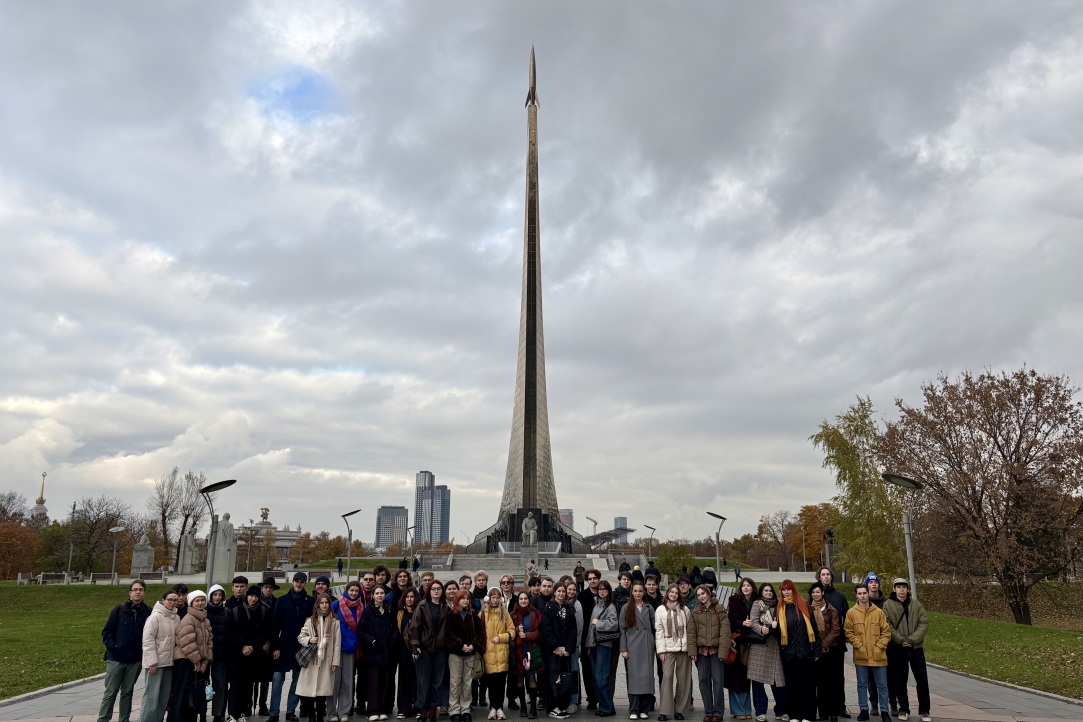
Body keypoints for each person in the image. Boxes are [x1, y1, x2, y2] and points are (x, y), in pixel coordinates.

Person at [99, 579, 151, 722]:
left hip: (135, 660)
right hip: (116, 659)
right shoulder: (119, 610)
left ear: (144, 593)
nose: (138, 592)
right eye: (135, 590)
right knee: (110, 692)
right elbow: (107, 632)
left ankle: (124, 719)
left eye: (141, 590)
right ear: (130, 592)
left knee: (127, 692)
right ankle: (103, 719)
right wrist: (114, 647)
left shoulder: (148, 612)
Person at [270, 572, 315, 722]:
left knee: (297, 680)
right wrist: (275, 647)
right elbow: (275, 626)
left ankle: (290, 710)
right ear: (292, 582)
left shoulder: (310, 601)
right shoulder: (282, 601)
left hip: (301, 647)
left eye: (302, 581)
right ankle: (274, 712)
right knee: (277, 678)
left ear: (305, 583)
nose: (298, 584)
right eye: (296, 581)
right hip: (283, 646)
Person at [883, 579, 930, 722]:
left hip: (916, 648)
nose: (901, 590)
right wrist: (901, 640)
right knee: (900, 680)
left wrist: (911, 640)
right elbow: (887, 625)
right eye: (899, 587)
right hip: (898, 648)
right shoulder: (887, 605)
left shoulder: (916, 605)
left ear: (907, 589)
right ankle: (903, 708)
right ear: (894, 588)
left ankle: (924, 710)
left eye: (904, 587)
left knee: (921, 678)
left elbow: (923, 623)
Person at [844, 584, 891, 722]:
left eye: (865, 593)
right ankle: (863, 709)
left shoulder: (878, 612)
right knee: (862, 684)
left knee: (882, 685)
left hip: (878, 655)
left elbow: (886, 632)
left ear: (868, 594)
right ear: (856, 595)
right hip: (861, 655)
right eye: (860, 593)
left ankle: (885, 711)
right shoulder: (851, 613)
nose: (863, 596)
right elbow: (848, 631)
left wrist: (879, 646)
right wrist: (859, 645)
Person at [777, 579, 821, 722]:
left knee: (808, 685)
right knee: (792, 686)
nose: (786, 591)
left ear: (793, 590)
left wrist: (817, 651)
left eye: (789, 589)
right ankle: (795, 715)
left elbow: (814, 629)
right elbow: (777, 634)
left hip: (806, 653)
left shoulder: (804, 605)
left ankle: (808, 715)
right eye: (784, 589)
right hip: (789, 655)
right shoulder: (779, 609)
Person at [169, 589, 213, 722]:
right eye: (197, 600)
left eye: (202, 600)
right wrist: (196, 661)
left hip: (199, 663)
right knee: (181, 695)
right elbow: (186, 641)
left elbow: (209, 642)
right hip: (185, 662)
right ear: (191, 603)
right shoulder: (188, 619)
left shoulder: (205, 620)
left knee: (193, 696)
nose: (200, 603)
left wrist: (205, 661)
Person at [443, 589, 486, 722]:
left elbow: (480, 632)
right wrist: (461, 645)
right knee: (455, 682)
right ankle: (454, 709)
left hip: (470, 653)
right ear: (457, 600)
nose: (466, 600)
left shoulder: (472, 615)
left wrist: (473, 645)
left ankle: (465, 709)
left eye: (467, 598)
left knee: (467, 683)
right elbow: (448, 634)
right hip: (456, 654)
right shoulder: (451, 615)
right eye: (463, 598)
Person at [298, 593, 342, 722]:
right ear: (317, 605)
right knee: (310, 692)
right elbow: (301, 636)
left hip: (326, 660)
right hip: (312, 659)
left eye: (326, 603)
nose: (324, 605)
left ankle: (321, 716)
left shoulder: (335, 622)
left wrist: (335, 661)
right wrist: (310, 639)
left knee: (323, 691)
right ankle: (312, 715)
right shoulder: (310, 620)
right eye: (322, 603)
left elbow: (337, 643)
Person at [139, 589, 180, 722]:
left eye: (175, 600)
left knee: (163, 697)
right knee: (151, 697)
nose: (173, 603)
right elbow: (148, 640)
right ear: (163, 600)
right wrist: (152, 662)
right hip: (156, 664)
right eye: (170, 600)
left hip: (169, 663)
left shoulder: (176, 617)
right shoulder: (155, 617)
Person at [687, 584, 728, 722]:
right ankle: (708, 710)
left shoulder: (720, 609)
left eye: (703, 593)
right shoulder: (695, 612)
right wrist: (692, 651)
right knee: (703, 681)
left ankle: (718, 711)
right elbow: (691, 633)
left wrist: (723, 652)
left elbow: (725, 633)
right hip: (701, 652)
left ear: (708, 593)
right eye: (698, 595)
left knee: (718, 681)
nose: (701, 597)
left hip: (716, 652)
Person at [746, 583, 786, 722]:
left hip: (775, 646)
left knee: (778, 681)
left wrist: (776, 627)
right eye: (765, 590)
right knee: (758, 682)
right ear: (761, 592)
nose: (768, 593)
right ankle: (760, 712)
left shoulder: (779, 604)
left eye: (770, 591)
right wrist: (762, 629)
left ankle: (780, 711)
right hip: (760, 647)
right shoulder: (757, 604)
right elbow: (753, 621)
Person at [815, 568, 851, 719]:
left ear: (831, 577)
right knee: (822, 678)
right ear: (819, 577)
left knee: (837, 677)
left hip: (837, 644)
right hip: (819, 645)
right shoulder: (814, 596)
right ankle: (824, 709)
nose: (826, 577)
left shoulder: (840, 597)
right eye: (823, 574)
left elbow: (846, 619)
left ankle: (840, 707)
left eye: (828, 574)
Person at [410, 578, 447, 721]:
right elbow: (414, 627)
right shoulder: (422, 606)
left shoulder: (445, 607)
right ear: (429, 591)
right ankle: (423, 708)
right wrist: (415, 646)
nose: (436, 591)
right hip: (424, 649)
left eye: (438, 588)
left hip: (440, 650)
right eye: (433, 588)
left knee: (437, 680)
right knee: (423, 681)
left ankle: (433, 708)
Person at [229, 585, 268, 722]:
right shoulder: (236, 611)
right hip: (237, 655)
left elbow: (264, 632)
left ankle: (243, 713)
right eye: (251, 596)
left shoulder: (262, 611)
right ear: (247, 596)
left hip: (253, 655)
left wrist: (252, 646)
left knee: (247, 687)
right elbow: (231, 632)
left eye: (256, 596)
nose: (253, 598)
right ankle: (232, 714)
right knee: (234, 686)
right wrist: (243, 645)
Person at [655, 584, 692, 722]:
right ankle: (664, 710)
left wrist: (691, 648)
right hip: (668, 649)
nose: (673, 594)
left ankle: (680, 710)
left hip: (683, 649)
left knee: (683, 680)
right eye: (671, 592)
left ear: (679, 595)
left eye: (676, 593)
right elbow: (658, 631)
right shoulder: (660, 609)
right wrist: (661, 650)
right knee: (667, 677)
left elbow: (690, 629)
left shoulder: (685, 609)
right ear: (667, 593)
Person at [620, 581, 656, 719]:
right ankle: (633, 709)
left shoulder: (649, 607)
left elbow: (655, 626)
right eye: (635, 591)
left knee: (647, 678)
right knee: (634, 678)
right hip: (632, 646)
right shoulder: (626, 608)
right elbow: (622, 630)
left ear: (644, 592)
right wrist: (624, 649)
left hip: (647, 645)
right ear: (632, 592)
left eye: (640, 591)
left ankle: (644, 709)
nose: (638, 593)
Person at [540, 583, 576, 718]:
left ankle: (562, 705)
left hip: (565, 650)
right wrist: (555, 647)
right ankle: (552, 707)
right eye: (559, 591)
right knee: (553, 677)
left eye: (563, 591)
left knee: (564, 677)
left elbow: (573, 630)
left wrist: (569, 648)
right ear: (554, 593)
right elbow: (546, 629)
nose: (561, 593)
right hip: (552, 651)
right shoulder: (549, 607)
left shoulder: (569, 607)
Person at [360, 586, 397, 720]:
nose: (380, 595)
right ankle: (372, 710)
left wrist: (391, 641)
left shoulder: (388, 611)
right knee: (373, 683)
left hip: (387, 652)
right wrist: (373, 641)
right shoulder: (368, 612)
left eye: (382, 593)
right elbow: (361, 631)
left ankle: (383, 709)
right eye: (377, 593)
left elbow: (395, 628)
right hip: (373, 653)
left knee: (385, 682)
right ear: (373, 595)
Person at [808, 582, 842, 722]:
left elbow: (836, 629)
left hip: (829, 649)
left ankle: (833, 713)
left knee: (831, 682)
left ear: (822, 593)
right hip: (814, 651)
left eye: (818, 592)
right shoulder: (808, 609)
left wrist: (823, 644)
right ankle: (822, 713)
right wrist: (816, 646)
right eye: (813, 592)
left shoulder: (831, 610)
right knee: (819, 683)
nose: (816, 594)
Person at [481, 587, 517, 720]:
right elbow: (479, 632)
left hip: (502, 652)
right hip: (489, 653)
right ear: (488, 598)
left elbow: (512, 631)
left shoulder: (505, 612)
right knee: (491, 683)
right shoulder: (483, 613)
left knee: (501, 683)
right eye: (493, 597)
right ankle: (492, 708)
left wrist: (501, 638)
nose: (495, 600)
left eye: (497, 597)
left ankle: (500, 708)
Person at [332, 581, 365, 722]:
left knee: (347, 681)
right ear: (347, 590)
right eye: (351, 590)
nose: (353, 593)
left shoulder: (361, 607)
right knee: (334, 681)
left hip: (351, 648)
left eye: (356, 591)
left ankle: (344, 711)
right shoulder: (336, 604)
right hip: (336, 648)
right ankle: (332, 712)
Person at [585, 580, 618, 717]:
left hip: (604, 645)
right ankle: (604, 705)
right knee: (595, 678)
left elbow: (613, 624)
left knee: (601, 678)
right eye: (600, 589)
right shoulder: (597, 605)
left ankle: (608, 707)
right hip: (594, 645)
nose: (602, 591)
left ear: (609, 591)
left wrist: (598, 623)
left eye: (604, 589)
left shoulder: (610, 606)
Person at [725, 578, 756, 719]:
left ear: (752, 588)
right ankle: (737, 710)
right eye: (743, 585)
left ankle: (746, 709)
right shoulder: (734, 600)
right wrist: (743, 623)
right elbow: (731, 620)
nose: (745, 588)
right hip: (738, 642)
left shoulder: (756, 601)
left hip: (752, 642)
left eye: (748, 585)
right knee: (736, 678)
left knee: (746, 677)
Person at [862, 574, 892, 717]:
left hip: (885, 646)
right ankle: (874, 703)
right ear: (867, 586)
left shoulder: (887, 603)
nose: (873, 585)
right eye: (871, 582)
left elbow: (889, 625)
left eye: (875, 582)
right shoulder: (864, 603)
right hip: (869, 646)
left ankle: (891, 703)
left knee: (887, 678)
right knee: (870, 678)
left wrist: (883, 643)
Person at [512, 590, 544, 719]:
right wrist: (515, 630)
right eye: (521, 599)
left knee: (531, 678)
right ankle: (523, 707)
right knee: (519, 678)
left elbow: (540, 633)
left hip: (531, 649)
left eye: (525, 599)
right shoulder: (513, 615)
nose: (523, 601)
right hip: (518, 651)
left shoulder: (535, 614)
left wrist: (527, 635)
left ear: (529, 600)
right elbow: (508, 633)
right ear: (518, 601)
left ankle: (533, 708)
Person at [205, 584, 232, 722]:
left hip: (221, 656)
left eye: (220, 595)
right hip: (205, 656)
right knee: (202, 685)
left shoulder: (227, 612)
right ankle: (202, 713)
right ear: (210, 596)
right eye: (214, 595)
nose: (217, 597)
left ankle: (218, 714)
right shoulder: (203, 612)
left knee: (220, 686)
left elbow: (230, 634)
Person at [257, 576, 281, 716]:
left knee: (266, 678)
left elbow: (276, 625)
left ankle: (262, 704)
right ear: (262, 588)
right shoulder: (255, 600)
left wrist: (271, 643)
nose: (268, 590)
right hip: (256, 643)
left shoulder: (276, 603)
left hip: (270, 641)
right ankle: (249, 704)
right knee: (253, 677)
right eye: (266, 587)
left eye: (270, 588)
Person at [396, 588, 421, 719]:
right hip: (403, 651)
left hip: (416, 651)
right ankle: (404, 708)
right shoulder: (400, 613)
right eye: (407, 597)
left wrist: (416, 648)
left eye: (412, 597)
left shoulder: (419, 611)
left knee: (416, 680)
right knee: (404, 681)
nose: (410, 599)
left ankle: (418, 706)